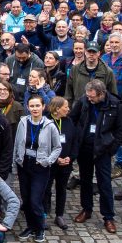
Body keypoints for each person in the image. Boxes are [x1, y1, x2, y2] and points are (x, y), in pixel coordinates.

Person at [68, 79, 122, 233]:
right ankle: (86, 209)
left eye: (92, 97)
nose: (89, 99)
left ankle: (108, 216)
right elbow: (73, 120)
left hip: (103, 150)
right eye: (88, 96)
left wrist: (112, 148)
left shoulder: (115, 104)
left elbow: (121, 130)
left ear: (101, 94)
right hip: (85, 148)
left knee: (104, 183)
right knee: (85, 180)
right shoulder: (83, 101)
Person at [13, 95, 61, 242]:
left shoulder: (50, 125)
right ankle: (30, 226)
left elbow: (57, 147)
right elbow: (17, 143)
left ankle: (39, 227)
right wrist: (16, 160)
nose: (34, 109)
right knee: (26, 199)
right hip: (24, 165)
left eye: (37, 106)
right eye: (32, 106)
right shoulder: (23, 122)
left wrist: (48, 161)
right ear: (28, 107)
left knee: (35, 200)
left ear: (43, 107)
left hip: (40, 167)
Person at [44, 96, 78, 230]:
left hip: (66, 164)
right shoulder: (46, 122)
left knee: (61, 189)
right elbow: (43, 144)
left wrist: (70, 157)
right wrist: (55, 159)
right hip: (50, 163)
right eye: (66, 107)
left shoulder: (68, 122)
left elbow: (75, 141)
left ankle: (59, 215)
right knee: (46, 189)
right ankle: (44, 214)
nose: (68, 109)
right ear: (57, 109)